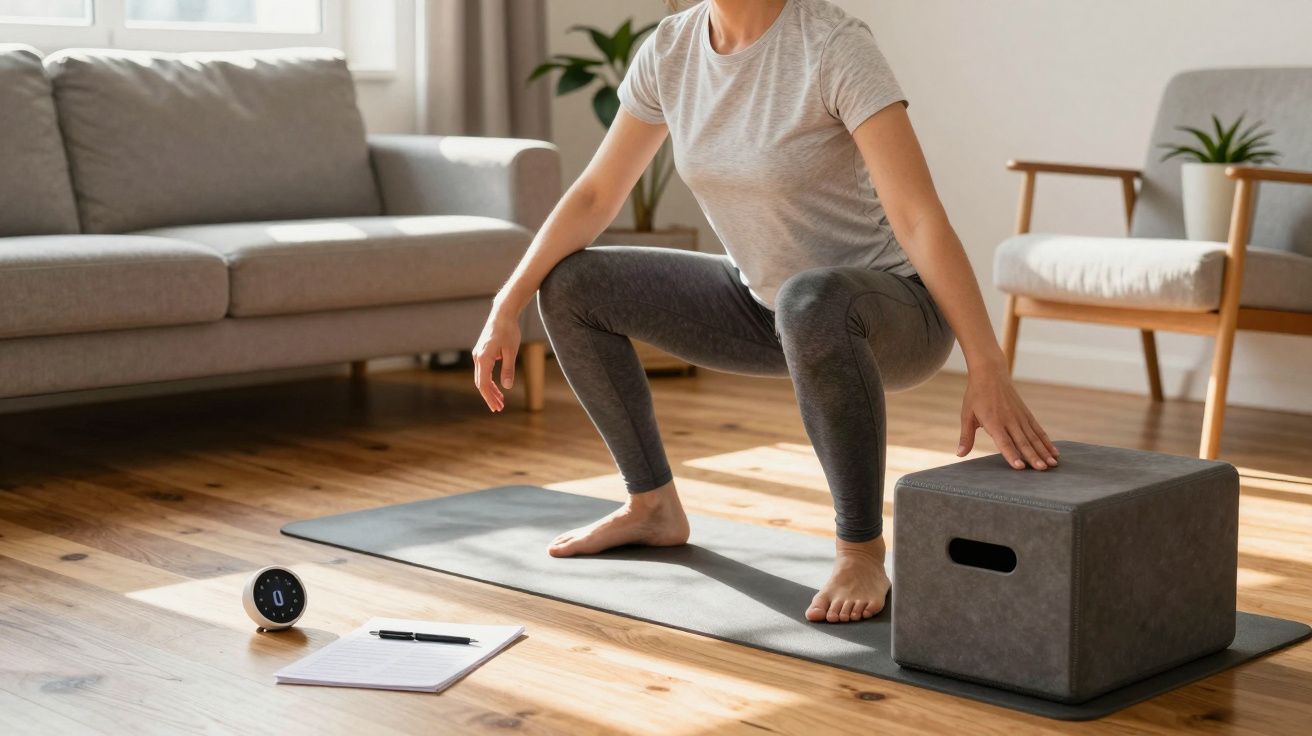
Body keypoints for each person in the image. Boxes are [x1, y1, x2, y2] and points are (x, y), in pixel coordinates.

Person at [473, 0, 1059, 624]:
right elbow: (594, 194)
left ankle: (859, 548)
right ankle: (652, 507)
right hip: (766, 305)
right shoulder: (671, 51)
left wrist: (986, 363)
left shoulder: (832, 45)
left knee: (812, 300)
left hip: (892, 306)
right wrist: (505, 306)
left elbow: (918, 216)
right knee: (572, 284)